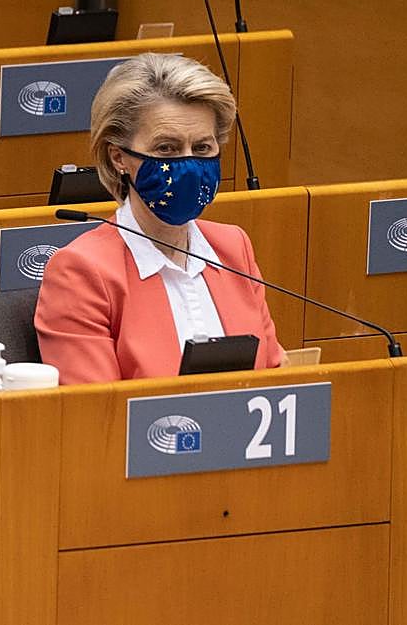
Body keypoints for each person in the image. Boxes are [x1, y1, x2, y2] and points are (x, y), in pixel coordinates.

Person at [34, 53, 285, 383]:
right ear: (119, 157)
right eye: (166, 149)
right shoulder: (82, 272)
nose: (188, 163)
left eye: (202, 148)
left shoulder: (232, 247)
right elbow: (98, 415)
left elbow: (276, 376)